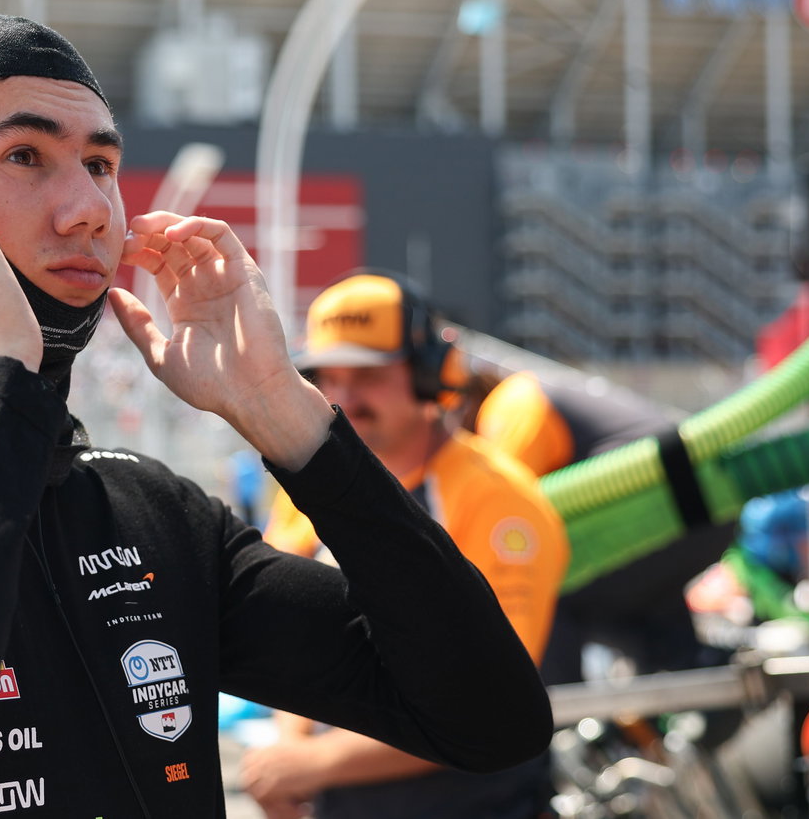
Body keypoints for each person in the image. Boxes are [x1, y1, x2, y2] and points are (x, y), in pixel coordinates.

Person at [0, 15, 552, 819]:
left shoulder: (149, 513)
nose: (88, 210)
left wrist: (295, 426)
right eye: (26, 157)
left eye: (101, 165)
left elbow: (490, 718)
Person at [240, 273, 569, 819]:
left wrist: (311, 764)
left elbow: (492, 702)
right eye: (328, 377)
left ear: (427, 375)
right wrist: (291, 752)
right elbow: (286, 630)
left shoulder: (501, 501)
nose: (345, 398)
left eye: (369, 375)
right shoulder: (306, 489)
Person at [471, 370, 733, 685]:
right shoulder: (536, 390)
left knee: (537, 586)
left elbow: (502, 508)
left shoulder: (511, 401)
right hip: (702, 511)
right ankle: (696, 669)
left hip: (665, 511)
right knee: (627, 610)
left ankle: (559, 710)